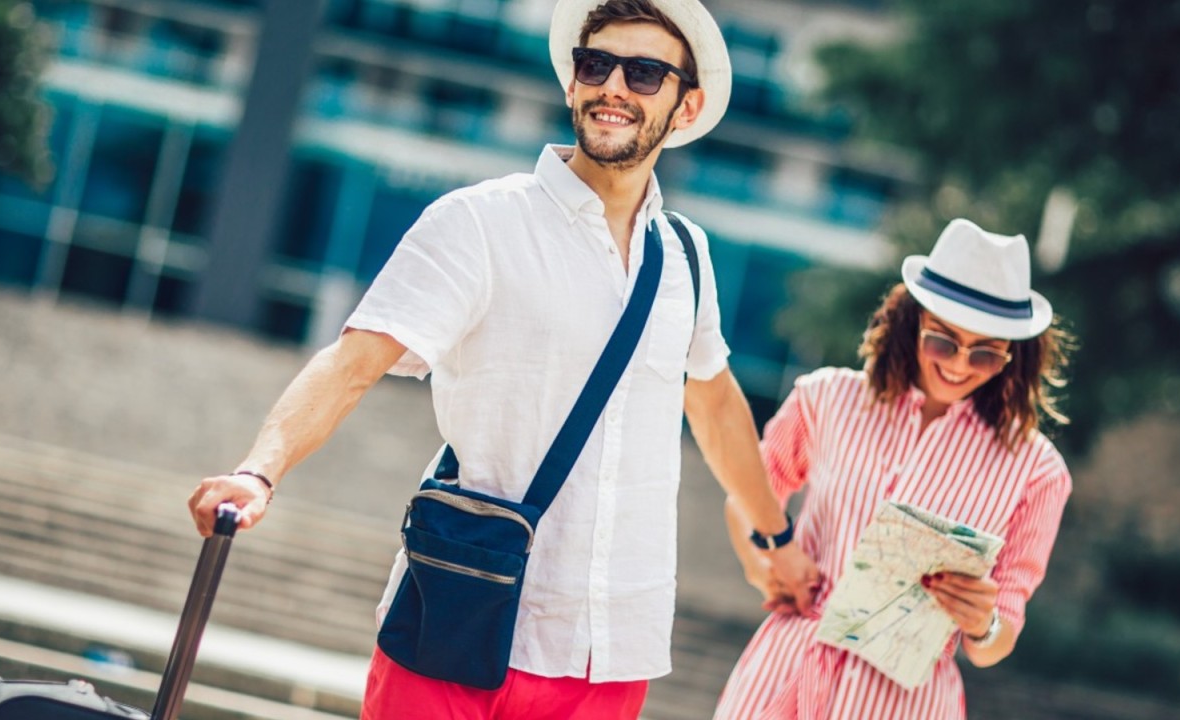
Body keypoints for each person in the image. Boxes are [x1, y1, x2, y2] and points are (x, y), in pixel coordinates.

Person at [187, 0, 819, 717]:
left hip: (610, 648)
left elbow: (714, 403)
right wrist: (259, 469)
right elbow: (353, 361)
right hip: (457, 616)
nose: (613, 87)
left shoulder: (686, 256)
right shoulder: (480, 222)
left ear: (687, 105)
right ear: (572, 82)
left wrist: (776, 538)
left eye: (644, 73)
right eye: (596, 65)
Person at [714, 218, 1074, 719]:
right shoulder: (825, 399)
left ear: (1013, 357)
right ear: (913, 323)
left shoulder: (1038, 471)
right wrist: (769, 562)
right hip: (785, 675)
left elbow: (998, 638)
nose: (959, 365)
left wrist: (983, 623)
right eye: (943, 342)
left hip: (908, 703)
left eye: (986, 355)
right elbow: (747, 496)